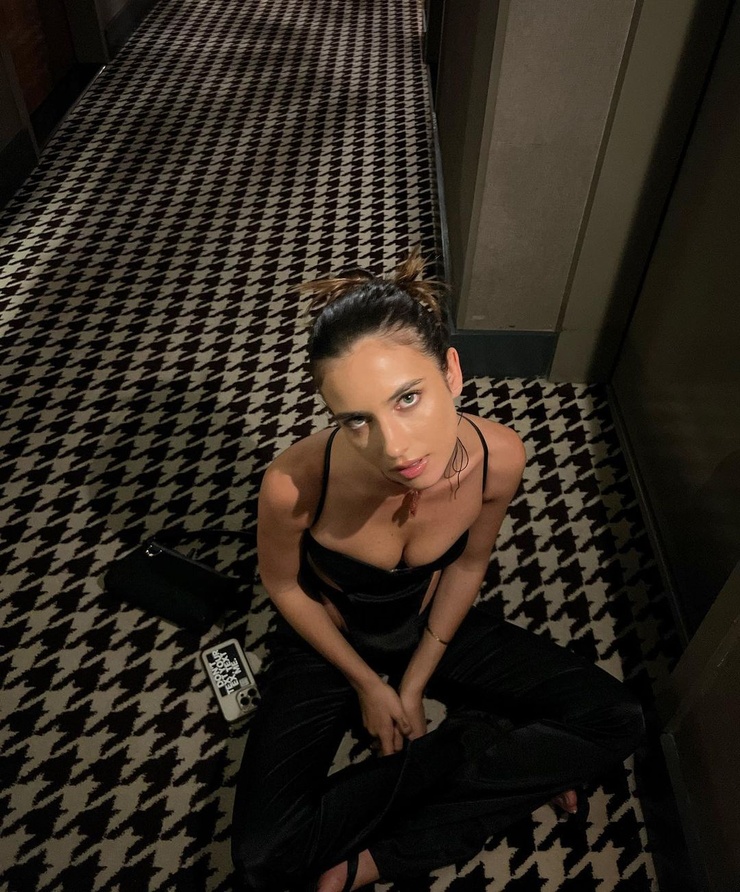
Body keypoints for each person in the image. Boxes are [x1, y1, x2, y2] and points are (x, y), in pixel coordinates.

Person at [231, 250, 644, 892]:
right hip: (328, 641)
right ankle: (482, 743)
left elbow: (469, 563)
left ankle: (386, 851)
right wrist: (369, 686)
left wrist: (416, 681)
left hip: (430, 622)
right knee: (263, 859)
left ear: (451, 372)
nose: (395, 448)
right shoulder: (294, 482)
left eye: (408, 398)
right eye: (357, 420)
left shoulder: (498, 456)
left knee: (616, 716)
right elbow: (283, 585)